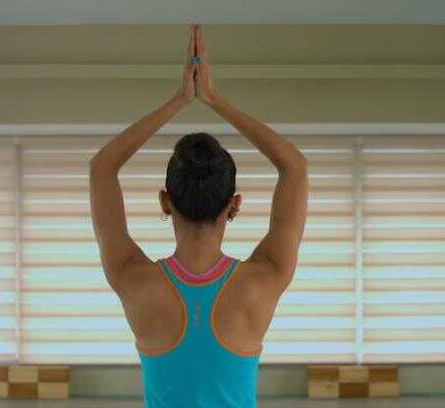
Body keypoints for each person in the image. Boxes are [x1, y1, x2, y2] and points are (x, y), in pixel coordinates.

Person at [89, 23, 308, 408]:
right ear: (234, 205)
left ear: (164, 201)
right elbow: (294, 167)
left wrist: (179, 99)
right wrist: (212, 98)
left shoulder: (135, 281)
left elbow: (101, 169)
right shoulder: (262, 281)